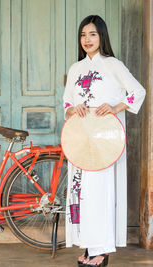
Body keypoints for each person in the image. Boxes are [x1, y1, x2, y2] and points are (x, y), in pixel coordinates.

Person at [62, 15, 146, 267]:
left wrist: (115, 106)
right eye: (83, 35)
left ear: (102, 37)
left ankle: (101, 249)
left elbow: (137, 91)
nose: (87, 40)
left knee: (100, 193)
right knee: (81, 193)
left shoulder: (113, 65)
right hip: (80, 140)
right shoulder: (75, 69)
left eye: (92, 34)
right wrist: (72, 110)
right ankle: (89, 245)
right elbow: (66, 103)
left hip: (105, 142)